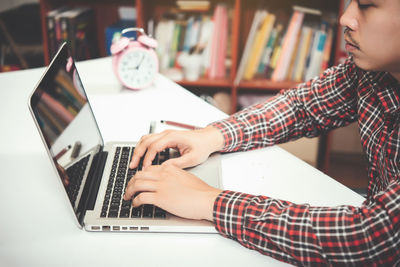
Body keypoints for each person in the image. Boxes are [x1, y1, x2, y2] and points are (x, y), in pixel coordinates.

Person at [124, 0, 400, 265]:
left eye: (366, 4)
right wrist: (212, 136)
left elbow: (370, 240)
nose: (345, 18)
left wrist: (208, 201)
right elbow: (301, 106)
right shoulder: (372, 72)